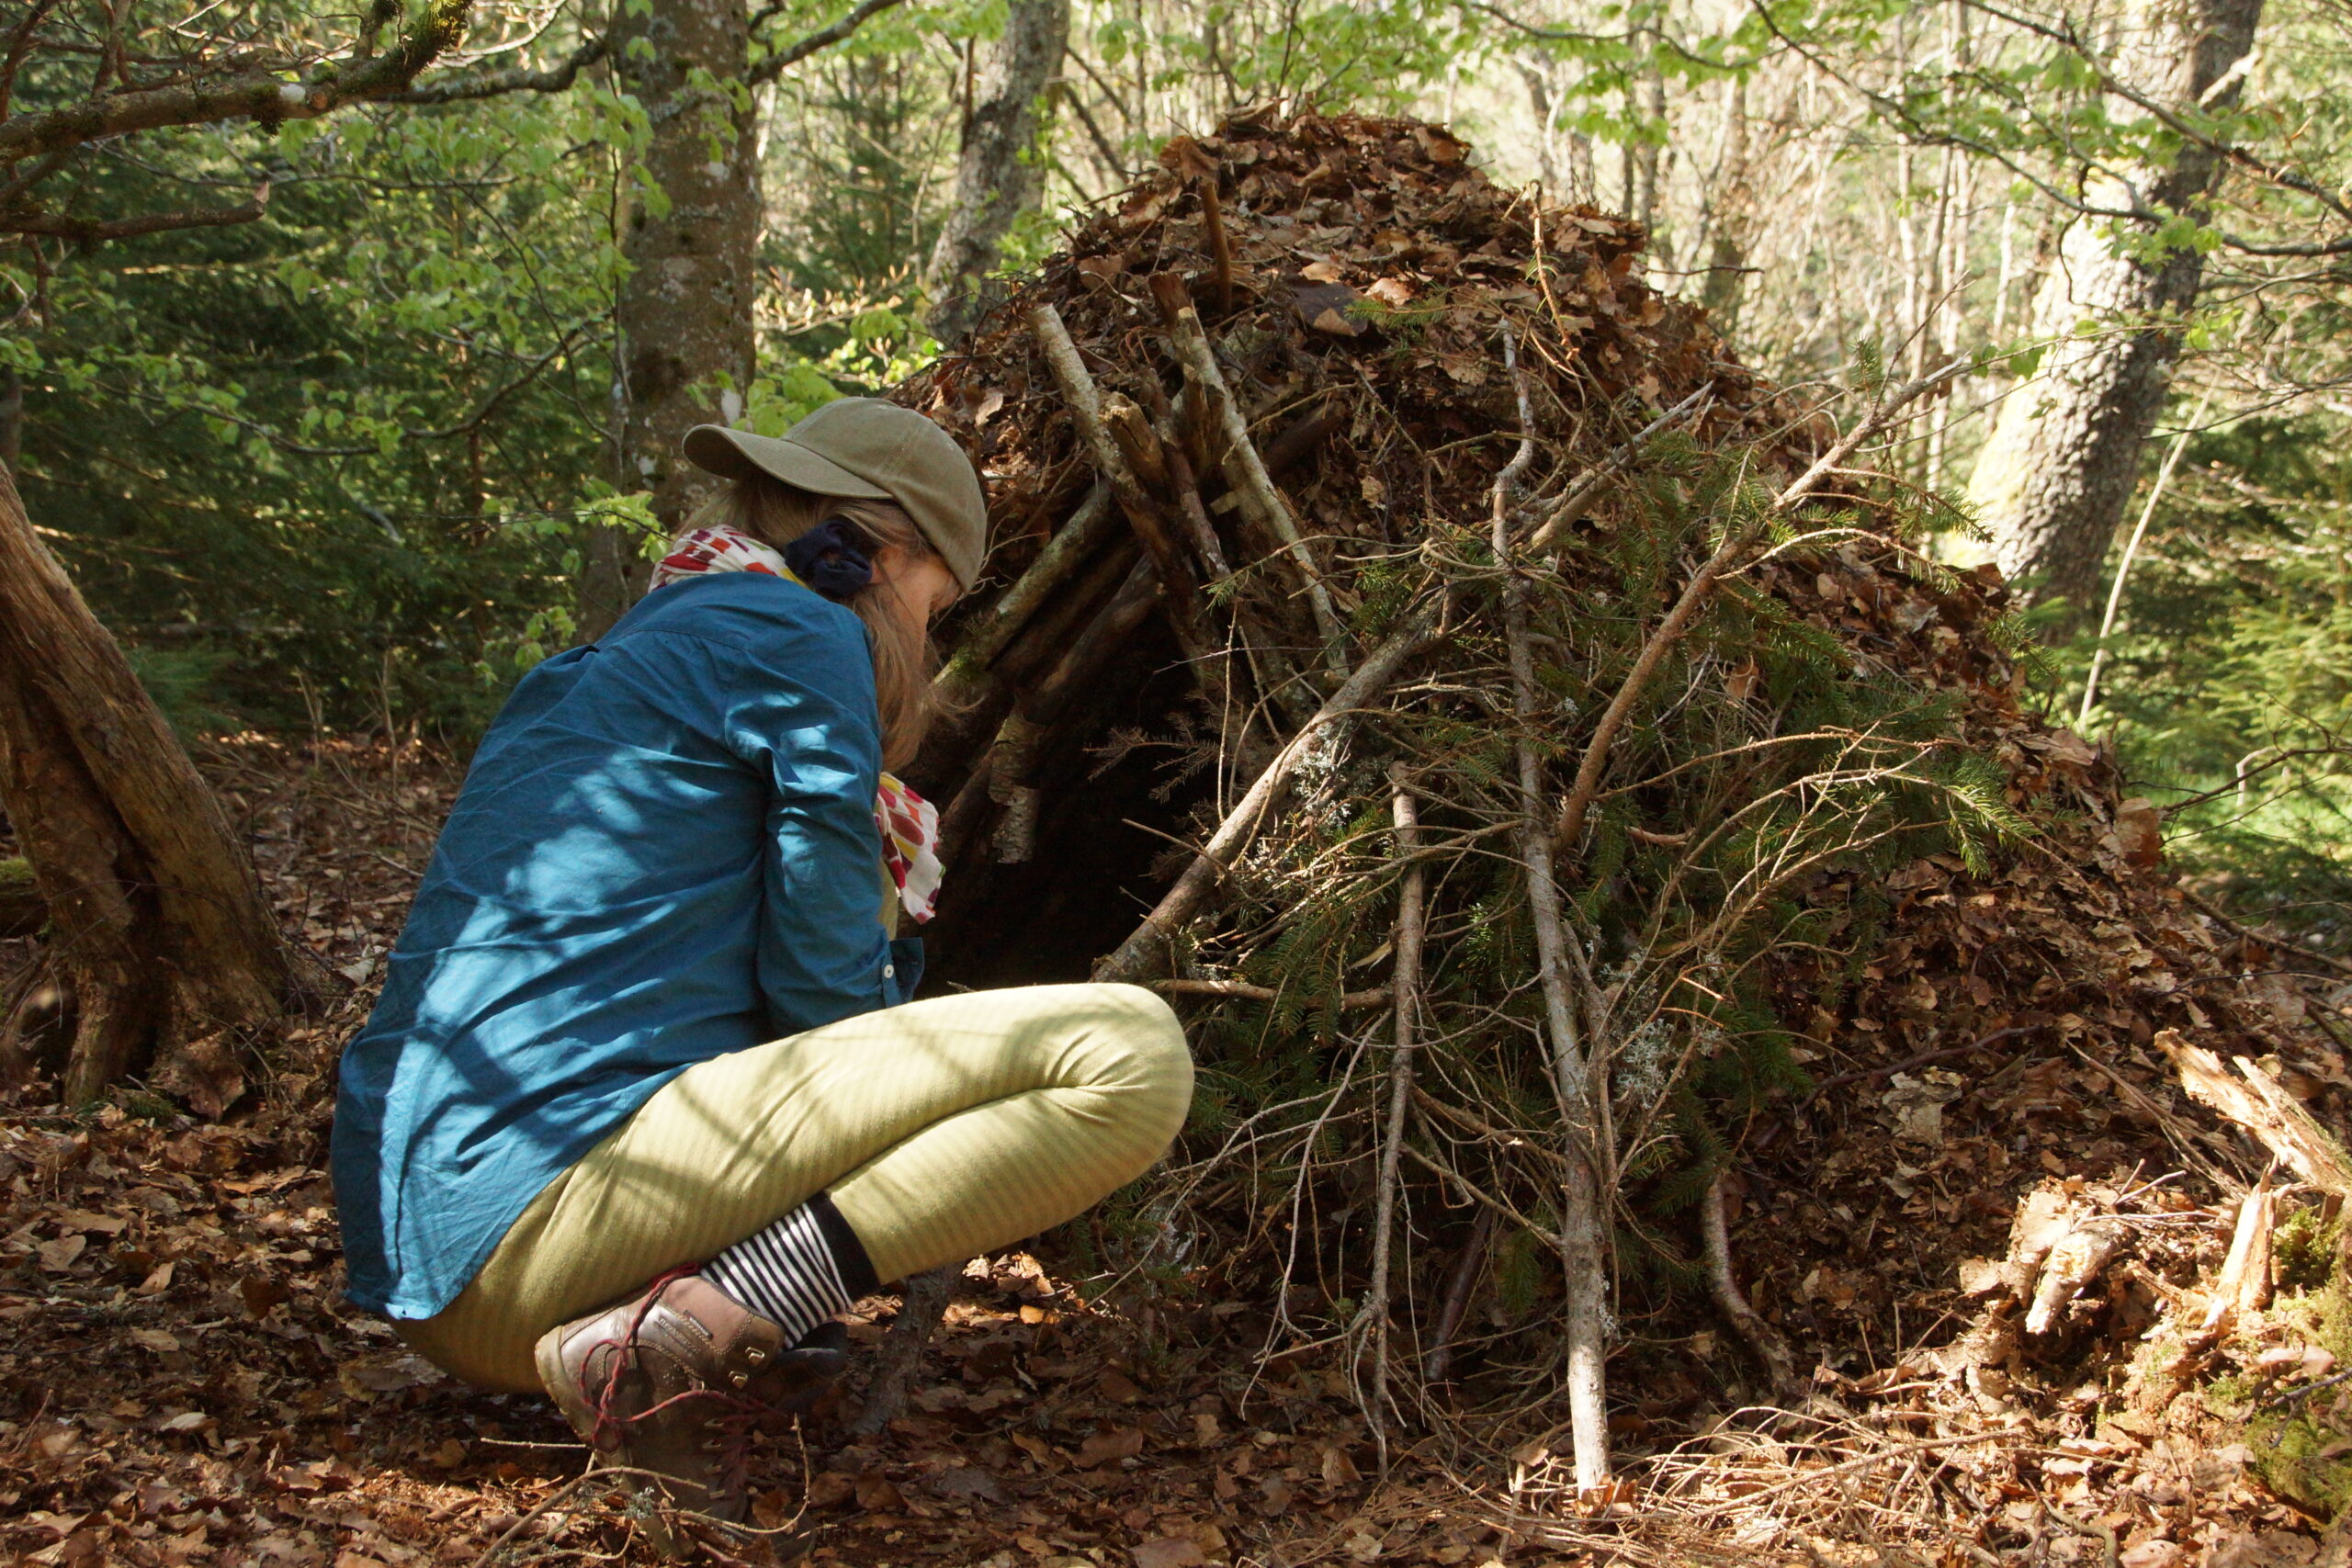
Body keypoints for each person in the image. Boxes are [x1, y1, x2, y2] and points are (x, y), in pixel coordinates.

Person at [330, 398, 1193, 1520]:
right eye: (937, 600)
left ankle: (672, 1326)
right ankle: (684, 1334)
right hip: (537, 1223)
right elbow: (822, 992)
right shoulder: (795, 631)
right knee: (1127, 1053)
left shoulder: (625, 656)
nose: (930, 637)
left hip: (442, 1277)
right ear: (877, 553)